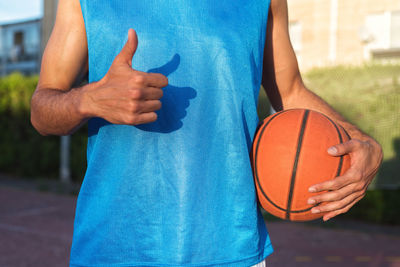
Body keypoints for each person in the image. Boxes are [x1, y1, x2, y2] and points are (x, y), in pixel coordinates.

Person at [30, 0, 383, 266]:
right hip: (115, 246)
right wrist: (88, 100)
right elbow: (43, 108)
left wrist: (363, 142)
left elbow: (290, 93)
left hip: (230, 246)